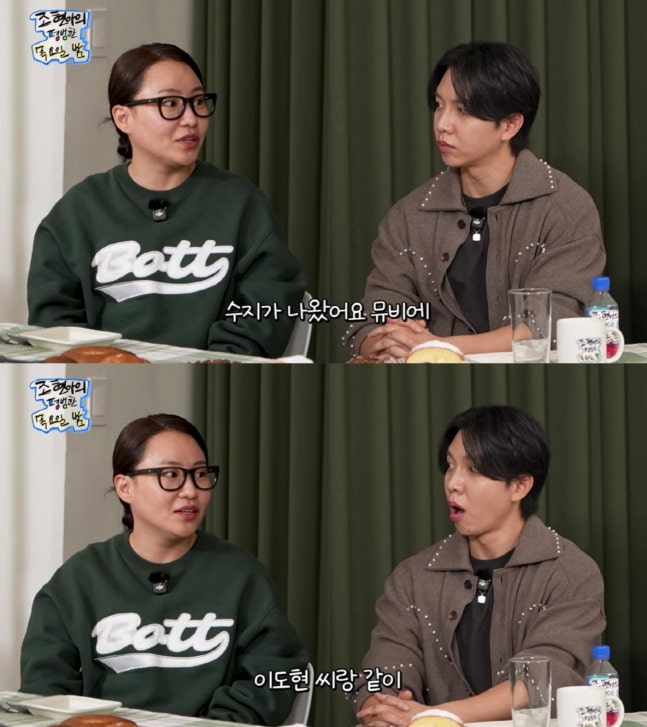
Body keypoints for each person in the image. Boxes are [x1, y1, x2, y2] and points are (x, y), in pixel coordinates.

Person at [20, 414, 308, 725]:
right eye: (171, 475)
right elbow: (45, 690)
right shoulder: (78, 579)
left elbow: (275, 675)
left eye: (200, 474)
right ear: (125, 487)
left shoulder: (242, 575)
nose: (190, 491)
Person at [27, 43, 306, 357]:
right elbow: (55, 321)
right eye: (170, 104)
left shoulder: (241, 203)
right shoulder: (78, 211)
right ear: (123, 117)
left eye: (198, 102)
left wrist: (218, 360)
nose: (191, 119)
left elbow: (269, 303)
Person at [344, 42, 606, 359]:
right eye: (439, 105)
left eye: (463, 110)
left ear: (510, 124)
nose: (442, 124)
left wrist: (436, 345)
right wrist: (381, 339)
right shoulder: (408, 215)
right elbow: (373, 317)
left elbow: (552, 323)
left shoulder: (565, 208)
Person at [352, 405, 605, 726]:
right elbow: (384, 668)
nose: (453, 483)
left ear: (520, 486)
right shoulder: (412, 577)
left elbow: (542, 677)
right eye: (450, 466)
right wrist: (382, 707)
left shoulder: (569, 572)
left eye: (473, 470)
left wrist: (437, 715)